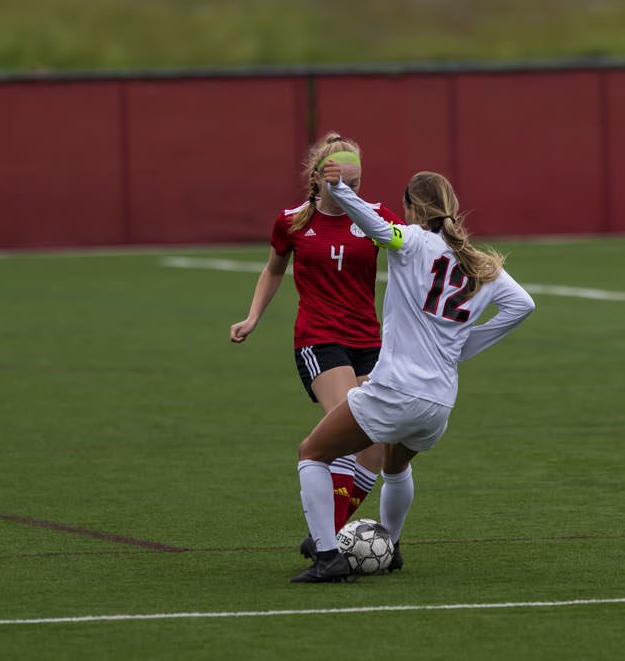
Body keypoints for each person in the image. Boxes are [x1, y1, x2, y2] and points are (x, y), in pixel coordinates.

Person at [289, 161, 536, 583]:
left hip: (396, 390)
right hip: (439, 401)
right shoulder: (480, 262)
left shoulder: (413, 240)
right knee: (396, 466)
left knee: (312, 453)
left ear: (412, 209)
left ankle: (327, 556)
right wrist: (467, 344)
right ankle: (393, 546)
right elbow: (522, 305)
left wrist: (342, 190)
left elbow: (379, 229)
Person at [230, 133, 405, 537]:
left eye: (356, 184)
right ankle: (328, 536)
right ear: (318, 179)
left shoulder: (377, 217)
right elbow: (274, 269)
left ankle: (329, 532)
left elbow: (416, 252)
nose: (348, 191)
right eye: (339, 183)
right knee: (351, 426)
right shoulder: (291, 220)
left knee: (376, 444)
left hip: (369, 342)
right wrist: (253, 316)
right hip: (319, 339)